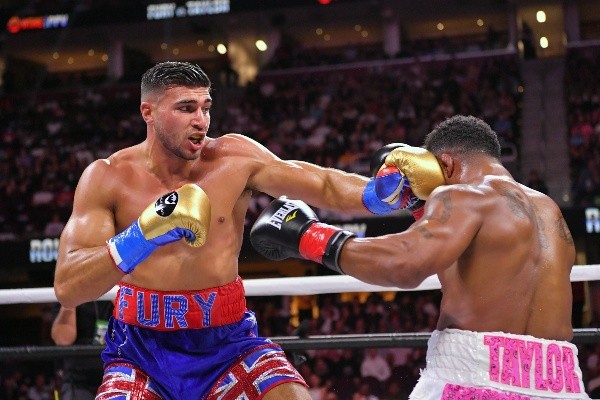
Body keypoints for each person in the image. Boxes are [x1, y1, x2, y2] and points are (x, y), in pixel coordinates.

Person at [53, 61, 394, 399]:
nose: (200, 120)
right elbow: (69, 287)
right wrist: (141, 236)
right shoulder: (107, 177)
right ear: (148, 112)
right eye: (186, 108)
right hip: (140, 352)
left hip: (229, 344)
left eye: (206, 107)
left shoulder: (234, 158)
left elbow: (323, 184)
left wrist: (382, 194)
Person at [251, 115, 589, 399]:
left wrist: (309, 236)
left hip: (475, 380)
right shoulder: (549, 211)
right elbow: (484, 275)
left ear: (446, 163)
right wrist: (420, 211)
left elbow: (405, 263)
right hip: (563, 385)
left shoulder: (463, 195)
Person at [51, 301, 114, 400]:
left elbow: (134, 333)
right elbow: (63, 339)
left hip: (119, 377)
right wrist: (70, 301)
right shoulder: (67, 295)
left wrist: (121, 300)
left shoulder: (121, 294)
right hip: (78, 380)